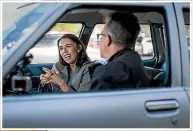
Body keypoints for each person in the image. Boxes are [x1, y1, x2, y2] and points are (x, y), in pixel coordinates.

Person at [91, 12, 150, 90]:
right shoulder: (134, 61)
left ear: (108, 39)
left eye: (101, 36)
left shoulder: (107, 73)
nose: (100, 40)